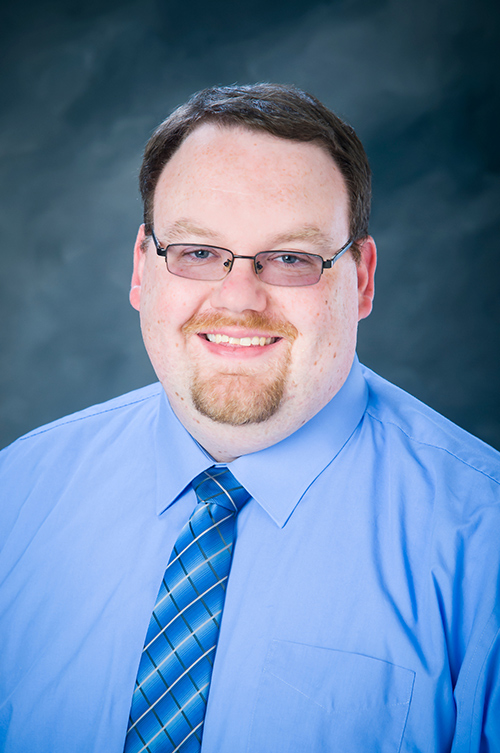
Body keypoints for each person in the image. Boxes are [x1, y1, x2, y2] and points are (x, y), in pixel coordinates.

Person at [0, 84, 499, 753]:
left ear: (365, 279)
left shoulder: (481, 544)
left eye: (291, 257)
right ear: (142, 269)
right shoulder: (20, 493)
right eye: (198, 252)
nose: (238, 299)